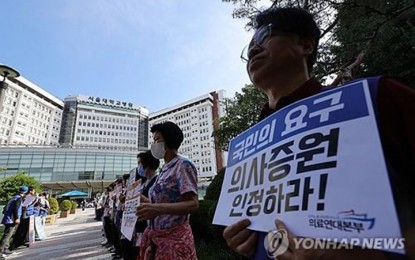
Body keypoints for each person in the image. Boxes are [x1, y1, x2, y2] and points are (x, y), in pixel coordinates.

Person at [222, 6, 415, 260]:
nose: (253, 50)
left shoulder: (376, 98)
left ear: (306, 45)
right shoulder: (246, 149)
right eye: (248, 49)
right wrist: (248, 242)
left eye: (264, 36)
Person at [136, 121, 199, 260]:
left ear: (169, 141)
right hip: (157, 240)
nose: (154, 145)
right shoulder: (164, 169)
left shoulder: (183, 165)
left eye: (157, 139)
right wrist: (140, 199)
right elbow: (158, 203)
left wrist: (158, 209)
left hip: (174, 242)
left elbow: (193, 204)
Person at [0, 186, 27, 257]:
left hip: (7, 218)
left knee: (8, 234)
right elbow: (16, 208)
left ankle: (5, 248)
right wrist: (17, 218)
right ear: (25, 192)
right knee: (7, 235)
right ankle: (0, 251)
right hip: (11, 219)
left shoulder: (14, 197)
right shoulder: (19, 199)